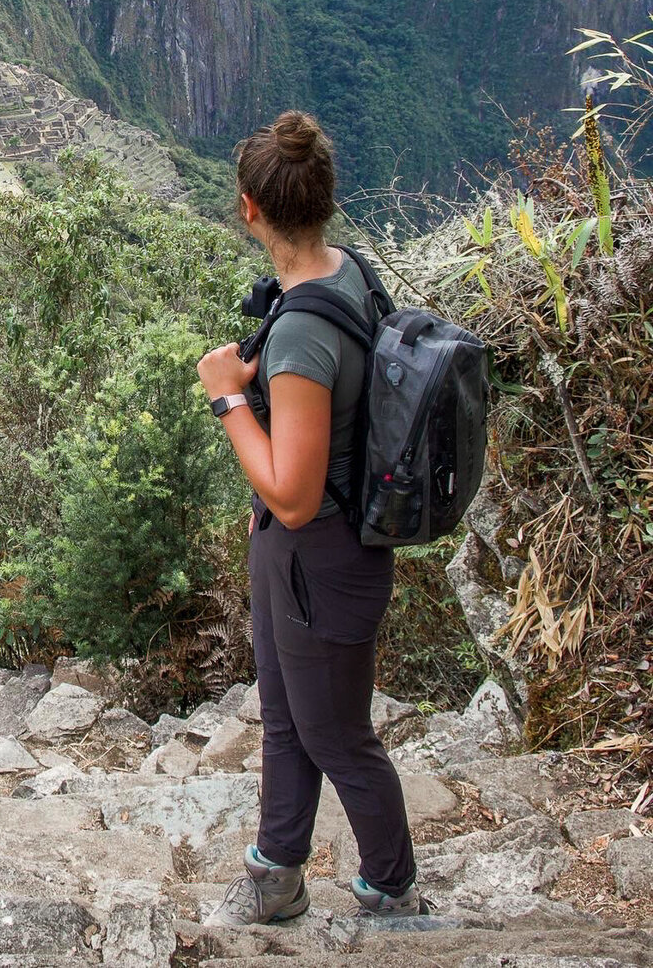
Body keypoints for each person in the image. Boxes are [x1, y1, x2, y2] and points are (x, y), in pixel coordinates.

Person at [195, 110, 428, 926]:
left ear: (250, 209)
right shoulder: (345, 273)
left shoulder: (300, 334)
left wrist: (227, 395)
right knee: (290, 717)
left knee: (335, 733)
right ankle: (275, 874)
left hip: (316, 553)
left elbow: (292, 491)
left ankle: (392, 888)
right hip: (311, 552)